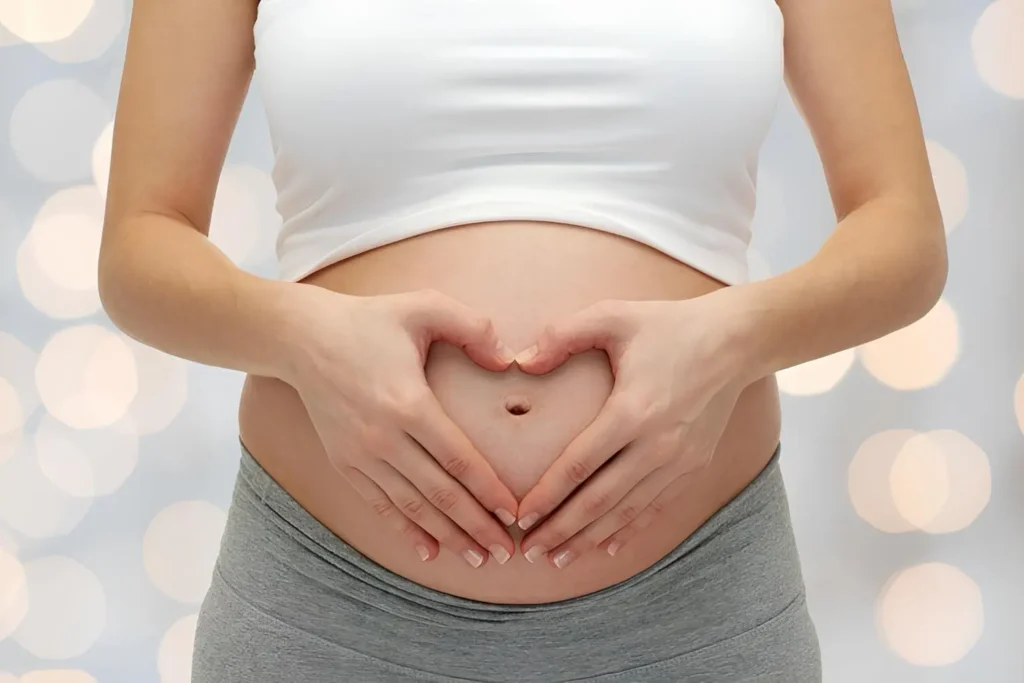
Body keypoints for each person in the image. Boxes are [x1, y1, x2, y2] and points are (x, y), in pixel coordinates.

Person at [97, 0, 947, 680]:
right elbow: (141, 242)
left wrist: (729, 340)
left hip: (692, 612)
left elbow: (903, 234)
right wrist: (299, 337)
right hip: (330, 612)